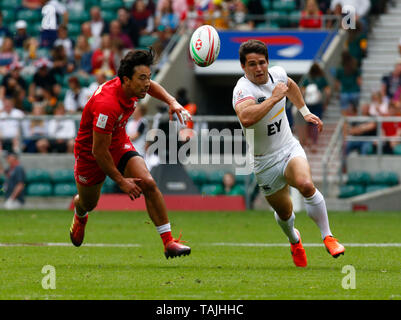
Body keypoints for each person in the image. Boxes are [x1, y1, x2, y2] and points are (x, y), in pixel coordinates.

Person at [232, 39, 345, 268]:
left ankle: (328, 236)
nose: (259, 68)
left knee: (305, 184)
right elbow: (247, 117)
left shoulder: (278, 75)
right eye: (252, 64)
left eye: (262, 62)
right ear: (244, 67)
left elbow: (290, 85)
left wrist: (304, 112)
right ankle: (294, 240)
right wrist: (274, 97)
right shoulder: (242, 89)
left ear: (268, 62)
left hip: (288, 147)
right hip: (264, 162)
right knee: (285, 213)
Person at [70, 48, 192, 259]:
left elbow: (151, 87)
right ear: (126, 80)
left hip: (117, 143)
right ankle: (80, 213)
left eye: (148, 77)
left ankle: (168, 242)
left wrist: (171, 101)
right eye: (142, 78)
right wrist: (121, 181)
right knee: (89, 202)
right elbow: (98, 151)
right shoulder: (107, 105)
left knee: (148, 183)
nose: (147, 83)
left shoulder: (134, 87)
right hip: (90, 154)